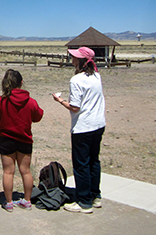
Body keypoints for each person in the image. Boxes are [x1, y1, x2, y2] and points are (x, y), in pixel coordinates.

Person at [52, 46, 106, 214]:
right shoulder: (97, 76)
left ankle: (84, 202)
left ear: (81, 61)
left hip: (83, 127)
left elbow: (75, 107)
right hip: (98, 124)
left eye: (75, 57)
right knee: (93, 161)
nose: (72, 60)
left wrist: (59, 100)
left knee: (81, 164)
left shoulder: (76, 80)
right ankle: (95, 196)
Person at [0, 69, 44, 212]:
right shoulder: (30, 102)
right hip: (24, 139)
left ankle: (8, 202)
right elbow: (38, 116)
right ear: (21, 83)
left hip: (6, 139)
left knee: (8, 172)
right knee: (25, 171)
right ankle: (27, 200)